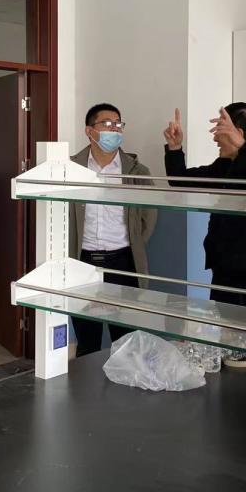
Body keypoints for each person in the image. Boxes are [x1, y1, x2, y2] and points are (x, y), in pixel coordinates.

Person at [163, 104, 246, 312]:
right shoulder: (223, 167)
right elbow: (180, 181)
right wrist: (175, 148)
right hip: (223, 272)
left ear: (238, 134)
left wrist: (244, 146)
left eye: (220, 130)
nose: (215, 138)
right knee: (226, 331)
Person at [70, 103, 158, 356]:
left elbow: (149, 216)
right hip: (83, 262)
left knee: (126, 338)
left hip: (123, 262)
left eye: (118, 124)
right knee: (87, 338)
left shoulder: (137, 172)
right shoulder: (72, 168)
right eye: (107, 124)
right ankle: (86, 381)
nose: (115, 129)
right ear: (89, 131)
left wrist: (135, 242)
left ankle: (125, 381)